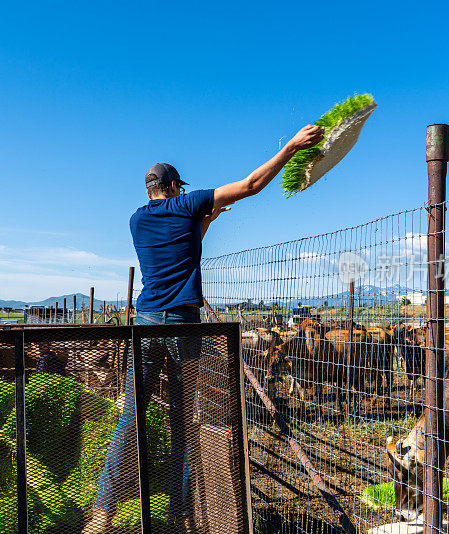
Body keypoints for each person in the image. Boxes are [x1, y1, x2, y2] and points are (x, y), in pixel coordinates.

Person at [82, 123, 324, 534]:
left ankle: (101, 514)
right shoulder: (188, 203)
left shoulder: (136, 220)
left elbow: (180, 245)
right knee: (182, 422)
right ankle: (180, 517)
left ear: (148, 191)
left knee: (129, 419)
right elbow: (250, 185)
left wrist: (204, 221)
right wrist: (290, 147)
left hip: (145, 323)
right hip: (182, 326)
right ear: (176, 186)